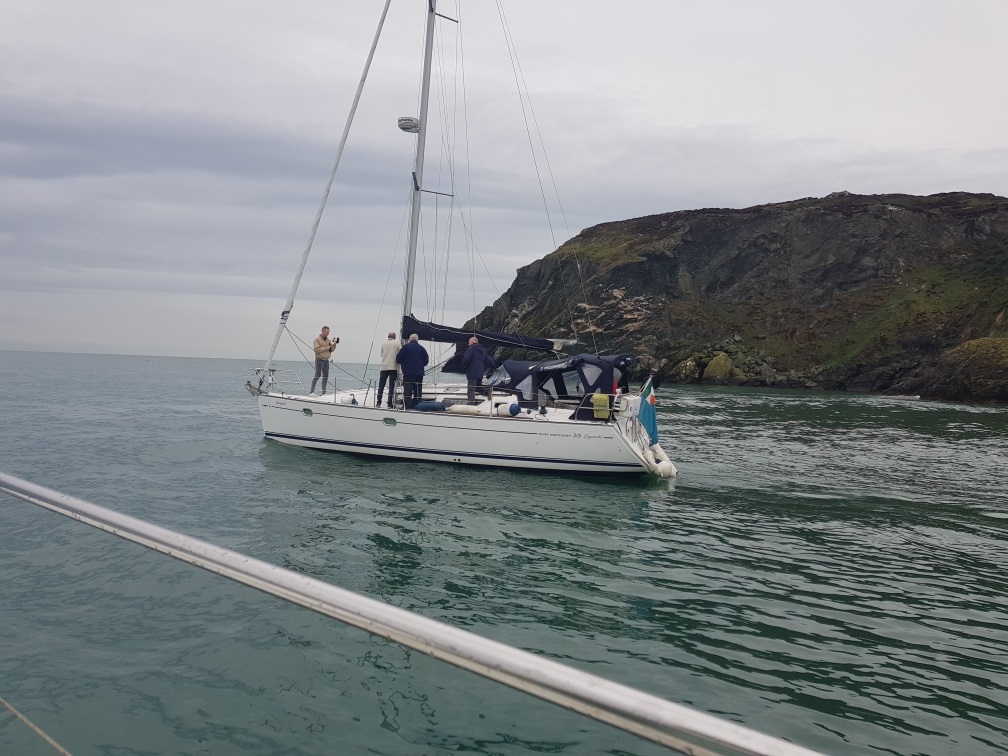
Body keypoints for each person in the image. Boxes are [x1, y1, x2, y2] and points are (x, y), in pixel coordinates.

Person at [396, 333, 429, 410]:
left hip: (408, 372)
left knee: (408, 390)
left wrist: (404, 363)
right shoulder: (422, 348)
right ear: (417, 340)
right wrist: (420, 365)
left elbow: (398, 359)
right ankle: (417, 405)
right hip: (419, 373)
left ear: (409, 339)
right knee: (417, 390)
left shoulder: (405, 348)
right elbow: (426, 361)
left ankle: (408, 406)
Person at [462, 336, 496, 403]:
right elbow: (489, 360)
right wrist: (494, 367)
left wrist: (464, 366)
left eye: (469, 342)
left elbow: (466, 359)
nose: (468, 344)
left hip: (472, 373)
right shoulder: (483, 350)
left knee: (471, 390)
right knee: (478, 387)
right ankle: (487, 392)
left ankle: (471, 405)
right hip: (480, 373)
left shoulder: (470, 349)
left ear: (472, 342)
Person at [309, 325, 339, 395]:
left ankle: (324, 393)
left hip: (326, 361)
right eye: (327, 332)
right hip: (319, 360)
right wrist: (327, 347)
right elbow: (317, 350)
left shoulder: (328, 340)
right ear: (323, 331)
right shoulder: (317, 340)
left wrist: (334, 344)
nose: (328, 333)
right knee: (317, 375)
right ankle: (311, 392)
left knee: (325, 377)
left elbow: (331, 350)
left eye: (329, 332)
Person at [377, 331, 400, 408]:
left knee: (381, 385)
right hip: (393, 367)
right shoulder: (397, 343)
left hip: (384, 367)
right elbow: (400, 353)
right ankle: (389, 403)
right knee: (391, 386)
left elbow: (382, 355)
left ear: (388, 336)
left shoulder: (383, 343)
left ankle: (378, 402)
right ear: (394, 337)